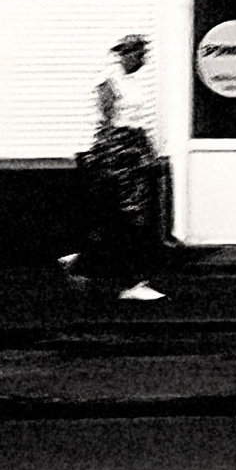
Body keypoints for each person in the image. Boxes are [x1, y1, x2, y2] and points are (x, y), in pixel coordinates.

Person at [64, 33, 168, 304]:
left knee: (124, 218)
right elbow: (107, 122)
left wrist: (149, 153)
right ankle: (131, 282)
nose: (144, 59)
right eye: (140, 54)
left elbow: (137, 123)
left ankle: (83, 261)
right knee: (128, 216)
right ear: (126, 54)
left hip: (131, 150)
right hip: (117, 154)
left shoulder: (132, 82)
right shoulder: (108, 81)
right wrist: (112, 159)